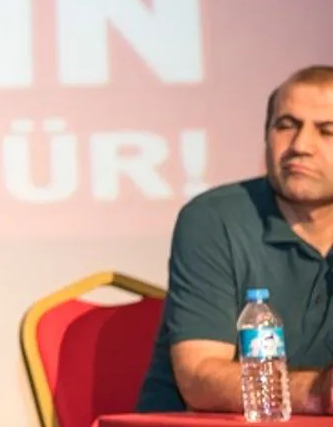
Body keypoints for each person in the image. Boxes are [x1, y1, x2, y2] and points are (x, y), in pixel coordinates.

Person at [136, 65, 333, 415]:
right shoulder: (213, 219)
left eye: (327, 132)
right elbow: (199, 377)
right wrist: (318, 393)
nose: (300, 146)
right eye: (286, 126)